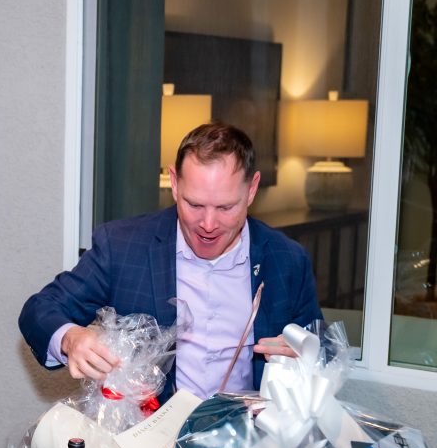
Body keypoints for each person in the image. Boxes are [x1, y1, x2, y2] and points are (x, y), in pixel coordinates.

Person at [19, 121, 322, 400]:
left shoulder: (287, 260)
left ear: (252, 189)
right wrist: (71, 339)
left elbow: (323, 350)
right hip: (144, 444)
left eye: (225, 207)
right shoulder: (123, 246)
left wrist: (307, 356)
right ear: (175, 183)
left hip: (245, 445)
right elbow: (40, 310)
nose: (208, 223)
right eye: (194, 204)